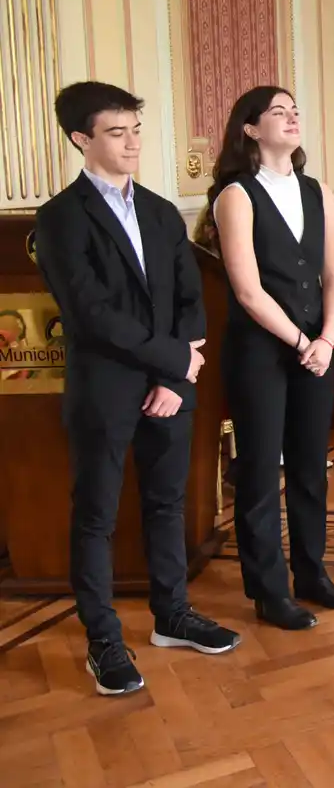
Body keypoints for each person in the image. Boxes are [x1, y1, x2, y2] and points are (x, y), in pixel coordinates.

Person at [33, 82, 240, 696]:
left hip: (169, 386)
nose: (132, 143)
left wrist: (176, 374)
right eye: (116, 132)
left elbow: (188, 295)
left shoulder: (157, 209)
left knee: (166, 503)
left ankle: (171, 615)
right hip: (105, 388)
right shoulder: (61, 217)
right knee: (95, 515)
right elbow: (91, 313)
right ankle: (103, 641)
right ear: (81, 139)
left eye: (135, 130)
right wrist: (174, 359)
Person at [205, 86, 334, 630]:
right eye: (278, 112)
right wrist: (300, 342)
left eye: (296, 110)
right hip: (261, 352)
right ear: (249, 128)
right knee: (263, 470)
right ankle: (269, 590)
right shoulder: (235, 195)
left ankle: (312, 573)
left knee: (312, 467)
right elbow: (247, 290)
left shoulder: (318, 191)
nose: (292, 118)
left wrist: (328, 340)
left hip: (319, 348)